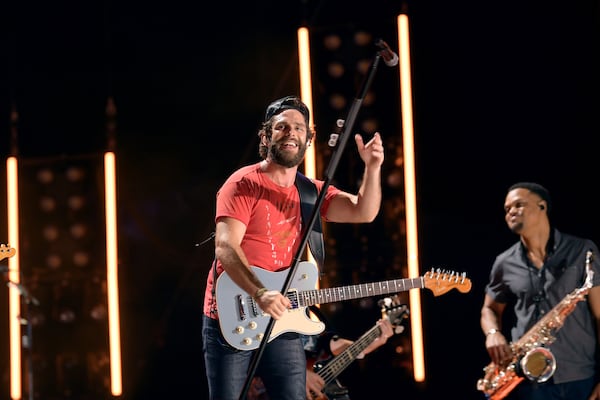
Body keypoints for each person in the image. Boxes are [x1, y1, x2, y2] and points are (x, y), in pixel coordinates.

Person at [202, 95, 385, 400]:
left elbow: (362, 212)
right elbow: (225, 246)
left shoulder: (311, 192)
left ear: (308, 139)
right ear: (265, 136)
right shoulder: (242, 184)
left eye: (299, 128)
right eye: (282, 127)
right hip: (232, 315)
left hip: (283, 319)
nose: (291, 133)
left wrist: (374, 167)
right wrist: (260, 292)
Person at [480, 182, 600, 400]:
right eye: (507, 209)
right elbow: (489, 308)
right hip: (528, 378)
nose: (511, 212)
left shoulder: (582, 250)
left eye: (519, 205)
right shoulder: (504, 262)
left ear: (542, 206)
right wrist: (493, 333)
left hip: (578, 376)